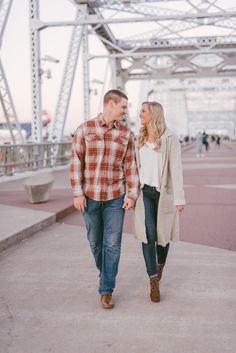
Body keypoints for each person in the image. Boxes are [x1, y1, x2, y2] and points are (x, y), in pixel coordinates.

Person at [70, 89, 139, 309]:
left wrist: (132, 194)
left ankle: (106, 290)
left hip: (115, 197)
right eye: (124, 107)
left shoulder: (126, 134)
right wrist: (77, 193)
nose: (126, 112)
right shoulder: (84, 129)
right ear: (111, 103)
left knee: (112, 244)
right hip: (89, 197)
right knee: (94, 242)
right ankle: (105, 271)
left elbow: (130, 166)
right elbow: (75, 163)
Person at [133, 101, 185, 303]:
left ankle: (160, 265)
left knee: (163, 236)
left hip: (164, 193)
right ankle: (153, 280)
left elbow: (176, 169)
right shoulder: (139, 139)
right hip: (144, 193)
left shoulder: (170, 139)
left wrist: (179, 198)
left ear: (153, 114)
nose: (140, 114)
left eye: (143, 111)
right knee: (149, 235)